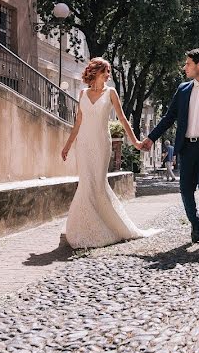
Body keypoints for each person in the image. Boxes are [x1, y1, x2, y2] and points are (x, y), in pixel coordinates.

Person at [141, 48, 199, 253]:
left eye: (188, 64)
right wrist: (151, 138)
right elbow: (168, 117)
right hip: (187, 148)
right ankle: (195, 222)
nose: (185, 68)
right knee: (185, 190)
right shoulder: (183, 90)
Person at [61, 57, 160, 249]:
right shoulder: (82, 93)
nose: (108, 75)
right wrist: (67, 146)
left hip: (101, 143)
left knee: (97, 184)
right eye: (106, 71)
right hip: (83, 144)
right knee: (85, 184)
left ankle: (109, 227)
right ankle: (82, 228)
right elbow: (78, 123)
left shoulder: (111, 92)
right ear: (96, 72)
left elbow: (122, 120)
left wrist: (136, 143)